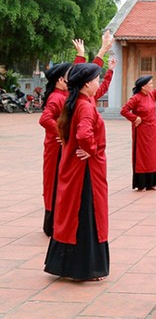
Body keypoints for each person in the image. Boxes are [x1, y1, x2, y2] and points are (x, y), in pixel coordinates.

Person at [39, 34, 115, 237]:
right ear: (61, 80)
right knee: (58, 186)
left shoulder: (73, 96)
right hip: (59, 148)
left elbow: (83, 75)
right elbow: (45, 119)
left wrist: (99, 52)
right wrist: (63, 133)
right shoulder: (59, 98)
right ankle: (55, 225)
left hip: (69, 147)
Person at [44, 63, 110, 281]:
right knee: (87, 214)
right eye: (96, 80)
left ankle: (67, 265)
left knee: (72, 214)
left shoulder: (75, 103)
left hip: (74, 167)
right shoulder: (85, 106)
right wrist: (92, 149)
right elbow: (83, 133)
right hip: (86, 171)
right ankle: (86, 267)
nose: (98, 83)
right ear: (86, 84)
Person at [120, 75, 156, 191]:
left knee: (152, 156)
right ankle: (141, 183)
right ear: (143, 87)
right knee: (142, 156)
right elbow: (123, 110)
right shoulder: (136, 98)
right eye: (150, 84)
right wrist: (134, 118)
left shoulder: (152, 95)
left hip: (153, 131)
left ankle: (151, 183)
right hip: (141, 131)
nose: (152, 85)